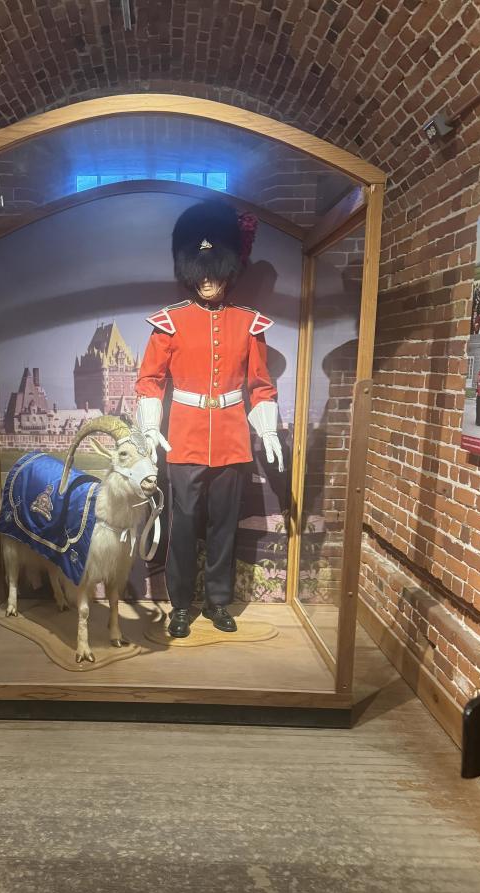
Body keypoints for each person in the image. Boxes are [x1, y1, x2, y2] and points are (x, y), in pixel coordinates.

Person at [135, 200, 284, 638]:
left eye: (214, 270)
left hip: (234, 438)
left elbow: (259, 385)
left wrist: (267, 427)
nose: (206, 279)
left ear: (227, 269)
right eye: (200, 270)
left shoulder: (248, 324)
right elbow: (149, 381)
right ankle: (181, 603)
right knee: (183, 526)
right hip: (183, 438)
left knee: (224, 526)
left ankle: (218, 601)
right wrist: (148, 426)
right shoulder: (171, 322)